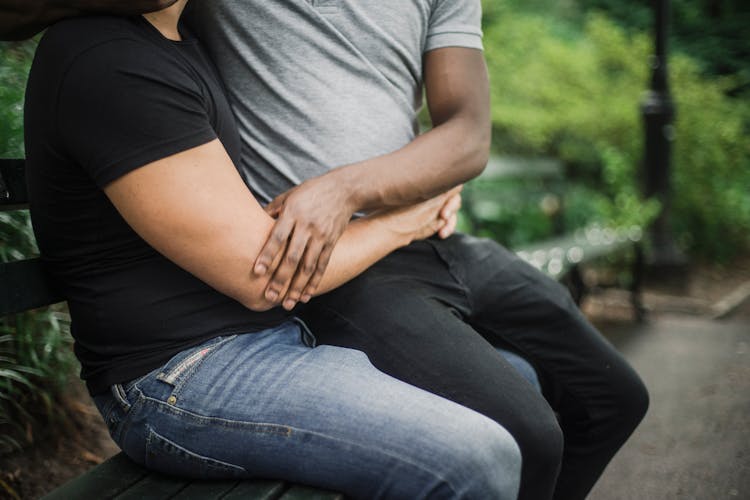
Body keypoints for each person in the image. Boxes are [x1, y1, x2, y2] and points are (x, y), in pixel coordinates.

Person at [6, 1, 649, 498]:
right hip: (183, 374)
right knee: (485, 454)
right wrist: (409, 217)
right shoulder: (106, 57)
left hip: (264, 334)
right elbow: (263, 277)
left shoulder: (183, 42)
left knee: (537, 384)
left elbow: (466, 133)